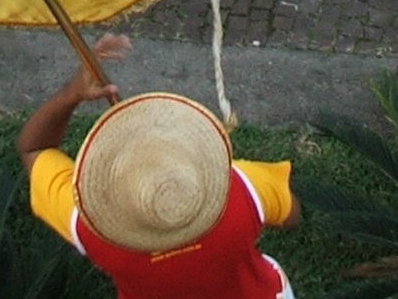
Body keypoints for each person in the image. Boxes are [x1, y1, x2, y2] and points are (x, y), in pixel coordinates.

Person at [21, 33, 302, 296]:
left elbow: (35, 148)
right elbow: (291, 215)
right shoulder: (243, 186)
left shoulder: (88, 224)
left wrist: (72, 93)